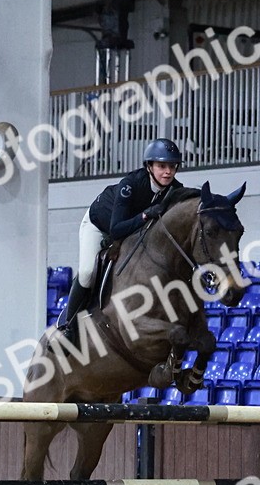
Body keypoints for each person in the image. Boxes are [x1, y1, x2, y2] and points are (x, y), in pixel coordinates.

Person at [57, 138, 185, 341]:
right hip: (100, 226)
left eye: (172, 166)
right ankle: (68, 326)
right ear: (149, 166)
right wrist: (144, 215)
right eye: (162, 166)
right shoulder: (131, 185)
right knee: (88, 272)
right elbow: (117, 230)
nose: (168, 172)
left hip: (131, 233)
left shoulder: (174, 189)